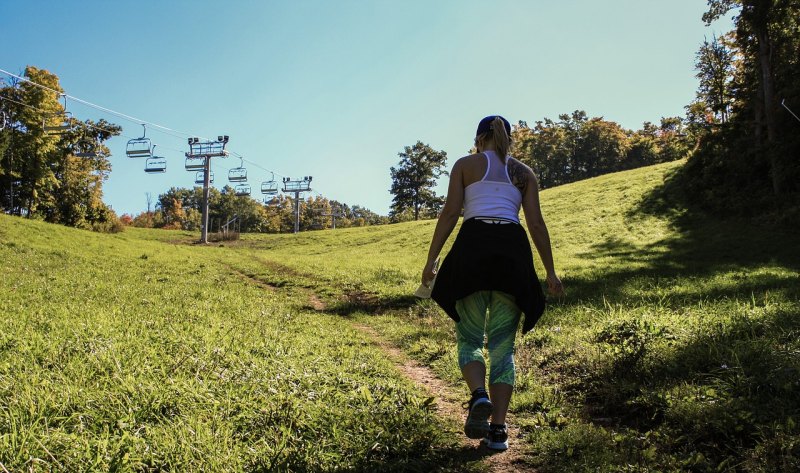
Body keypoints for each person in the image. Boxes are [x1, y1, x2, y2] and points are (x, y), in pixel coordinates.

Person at [421, 115, 563, 451]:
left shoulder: (466, 165)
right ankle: (498, 432)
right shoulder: (523, 173)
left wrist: (431, 260)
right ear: (509, 139)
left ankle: (478, 395)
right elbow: (537, 224)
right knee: (502, 347)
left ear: (478, 139)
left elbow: (450, 212)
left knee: (469, 337)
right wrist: (551, 272)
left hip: (473, 250)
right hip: (512, 255)